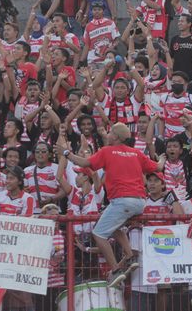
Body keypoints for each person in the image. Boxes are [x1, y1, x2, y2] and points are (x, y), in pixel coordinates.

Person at [64, 123, 165, 287]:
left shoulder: (106, 151)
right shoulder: (136, 152)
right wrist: (161, 158)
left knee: (99, 235)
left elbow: (84, 163)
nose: (107, 133)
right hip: (140, 201)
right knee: (114, 225)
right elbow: (159, 167)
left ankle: (116, 269)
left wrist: (65, 152)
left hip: (122, 200)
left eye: (110, 132)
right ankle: (130, 256)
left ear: (116, 137)